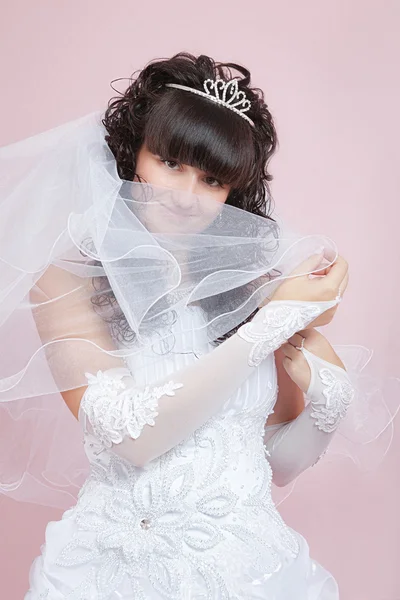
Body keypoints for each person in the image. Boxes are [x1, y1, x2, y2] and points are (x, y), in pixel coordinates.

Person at [0, 52, 395, 599]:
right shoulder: (68, 278)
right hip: (116, 574)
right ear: (132, 154)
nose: (186, 196)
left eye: (212, 180)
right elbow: (133, 439)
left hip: (254, 574)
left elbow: (274, 464)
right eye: (170, 163)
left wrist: (327, 408)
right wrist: (272, 325)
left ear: (233, 193)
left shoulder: (258, 288)